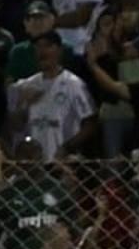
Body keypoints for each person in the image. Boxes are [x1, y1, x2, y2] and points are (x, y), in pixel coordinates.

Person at [9, 30, 95, 161]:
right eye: (37, 47)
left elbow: (90, 124)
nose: (42, 51)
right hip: (33, 165)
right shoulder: (26, 85)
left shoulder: (74, 84)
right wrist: (22, 104)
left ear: (59, 51)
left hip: (63, 162)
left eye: (47, 46)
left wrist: (67, 148)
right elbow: (15, 127)